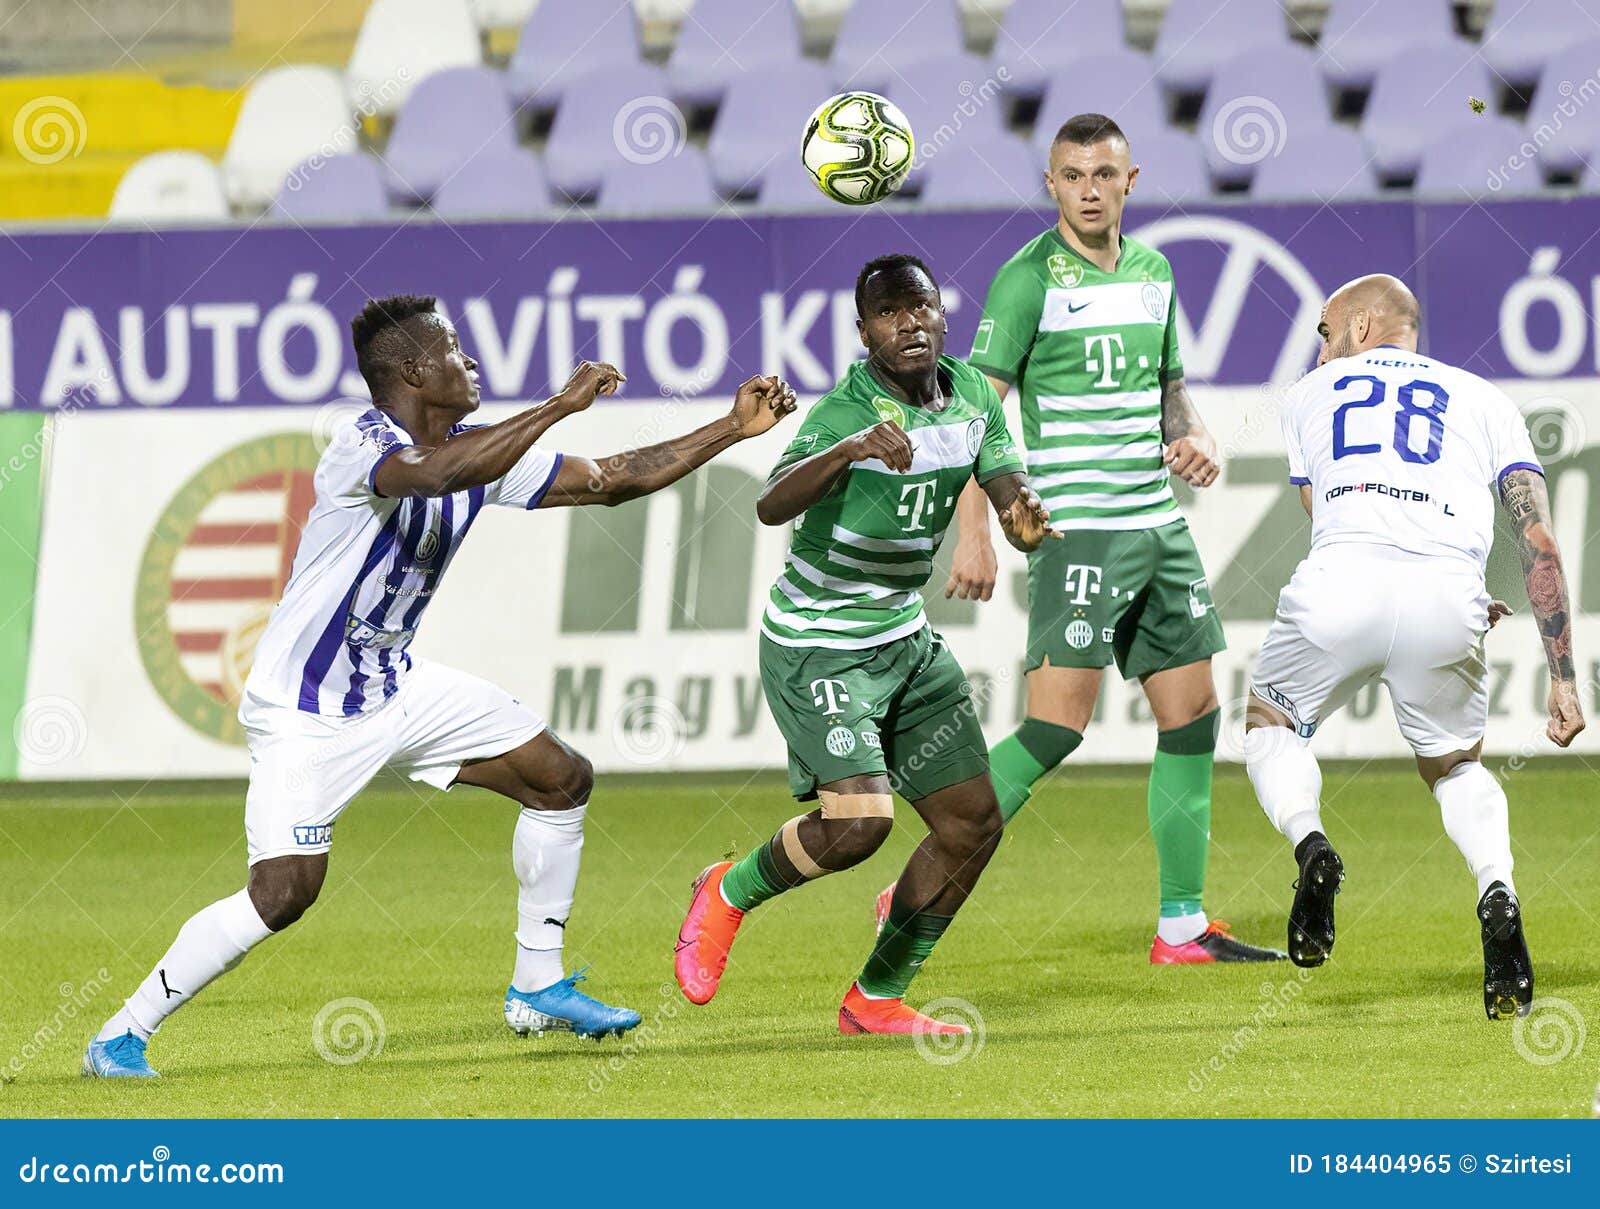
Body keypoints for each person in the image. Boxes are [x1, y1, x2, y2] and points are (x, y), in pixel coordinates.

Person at [85, 294, 797, 1077]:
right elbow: (433, 476)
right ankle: (122, 1033)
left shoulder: (475, 448)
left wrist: (733, 427)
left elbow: (611, 479)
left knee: (559, 778)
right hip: (307, 708)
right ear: (416, 371)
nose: (472, 361)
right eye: (456, 349)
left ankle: (538, 984)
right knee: (285, 891)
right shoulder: (364, 445)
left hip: (395, 688)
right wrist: (559, 405)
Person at [879, 113, 1282, 963]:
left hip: (1158, 527)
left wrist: (1195, 436)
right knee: (1058, 727)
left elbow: (1168, 386)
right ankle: (916, 875)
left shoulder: (1155, 272)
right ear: (1052, 185)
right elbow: (972, 413)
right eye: (1073, 176)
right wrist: (977, 531)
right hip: (1077, 533)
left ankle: (1182, 924)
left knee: (1194, 716)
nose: (1090, 190)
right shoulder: (1029, 279)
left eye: (1105, 175)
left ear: (1131, 182)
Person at [673, 254, 1057, 1035]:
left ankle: (875, 997)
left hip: (904, 640)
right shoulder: (847, 411)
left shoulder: (975, 395)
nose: (907, 323)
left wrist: (1024, 518)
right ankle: (727, 890)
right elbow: (772, 504)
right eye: (887, 314)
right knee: (860, 823)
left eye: (919, 308)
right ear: (864, 333)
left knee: (973, 822)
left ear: (943, 316)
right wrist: (850, 450)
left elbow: (1009, 485)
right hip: (819, 644)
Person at [1243, 273, 1584, 1018]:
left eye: (1329, 332)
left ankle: (1311, 846)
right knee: (1455, 764)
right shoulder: (1488, 400)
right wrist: (1563, 678)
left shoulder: (1306, 395)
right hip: (1448, 598)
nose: (1323, 348)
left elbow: (1326, 506)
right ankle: (1496, 888)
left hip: (1340, 581)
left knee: (1270, 721)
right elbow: (1539, 539)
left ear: (1363, 326)